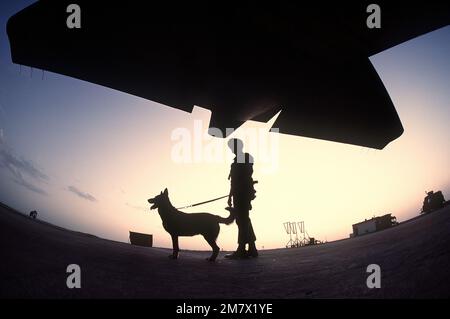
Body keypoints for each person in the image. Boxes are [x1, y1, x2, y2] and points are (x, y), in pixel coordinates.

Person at [225, 138, 258, 259]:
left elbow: (247, 175)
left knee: (242, 221)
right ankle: (252, 248)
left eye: (233, 147)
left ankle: (241, 249)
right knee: (245, 220)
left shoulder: (245, 158)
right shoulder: (235, 162)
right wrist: (230, 196)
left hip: (242, 194)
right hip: (238, 194)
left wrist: (239, 189)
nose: (231, 150)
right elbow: (233, 182)